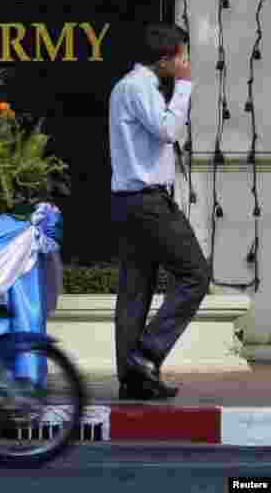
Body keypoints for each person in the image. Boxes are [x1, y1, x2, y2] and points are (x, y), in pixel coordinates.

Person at [109, 23, 209, 401]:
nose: (185, 62)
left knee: (136, 289)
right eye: (181, 55)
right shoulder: (138, 87)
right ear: (165, 58)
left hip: (134, 200)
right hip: (147, 201)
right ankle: (146, 355)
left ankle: (133, 379)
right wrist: (184, 87)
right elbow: (168, 130)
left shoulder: (134, 86)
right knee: (196, 275)